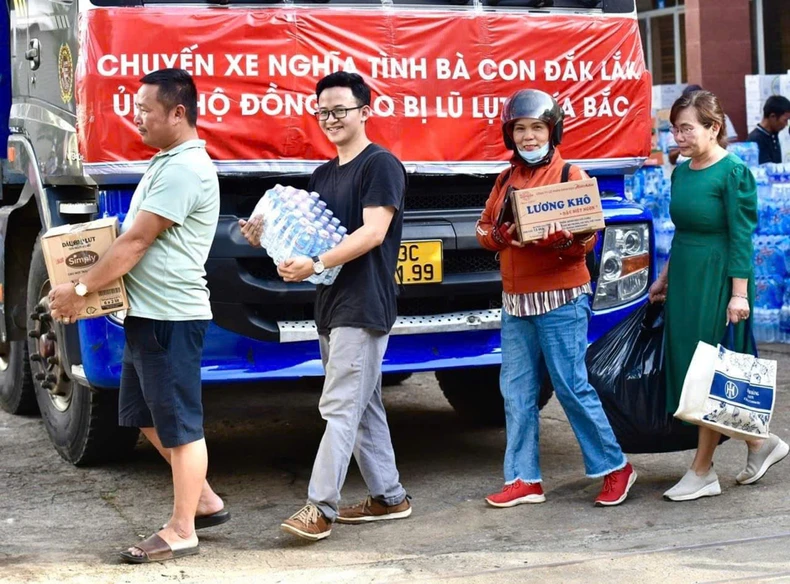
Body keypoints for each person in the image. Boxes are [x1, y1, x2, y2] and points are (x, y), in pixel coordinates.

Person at [49, 68, 227, 562]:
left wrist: (81, 289)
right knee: (142, 414)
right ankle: (205, 498)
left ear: (178, 112)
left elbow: (136, 241)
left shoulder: (185, 168)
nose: (138, 118)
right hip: (147, 315)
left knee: (181, 425)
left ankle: (181, 528)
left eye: (146, 109)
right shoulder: (166, 161)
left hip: (171, 316)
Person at [240, 72, 410, 541]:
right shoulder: (321, 175)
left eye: (340, 110)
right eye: (323, 112)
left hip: (365, 303)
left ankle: (320, 507)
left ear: (365, 112)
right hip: (331, 304)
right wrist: (266, 238)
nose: (331, 119)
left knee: (338, 407)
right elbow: (310, 238)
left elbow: (372, 233)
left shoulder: (381, 166)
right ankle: (389, 497)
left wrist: (314, 261)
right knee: (363, 404)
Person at [475, 89, 636, 509]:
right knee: (516, 392)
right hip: (516, 302)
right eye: (521, 129)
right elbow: (483, 228)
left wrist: (565, 242)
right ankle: (524, 478)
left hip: (561, 299)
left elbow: (586, 240)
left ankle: (615, 466)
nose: (529, 137)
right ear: (511, 135)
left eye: (537, 128)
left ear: (553, 130)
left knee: (571, 386)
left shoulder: (572, 177)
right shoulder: (505, 179)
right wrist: (500, 235)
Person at [649, 90, 789, 502]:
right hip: (687, 276)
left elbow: (741, 237)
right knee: (688, 373)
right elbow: (682, 231)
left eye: (687, 128)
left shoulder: (733, 172)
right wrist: (664, 278)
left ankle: (703, 470)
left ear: (713, 128)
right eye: (675, 128)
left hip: (719, 279)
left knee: (708, 373)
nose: (678, 136)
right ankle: (759, 443)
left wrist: (739, 295)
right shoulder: (681, 170)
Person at [668, 84, 739, 165]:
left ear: (714, 128)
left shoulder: (735, 171)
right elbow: (671, 156)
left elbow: (732, 143)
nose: (679, 138)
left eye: (688, 129)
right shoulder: (680, 172)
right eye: (676, 130)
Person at [746, 95, 790, 164]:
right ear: (773, 117)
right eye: (785, 120)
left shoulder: (773, 134)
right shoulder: (756, 140)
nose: (786, 124)